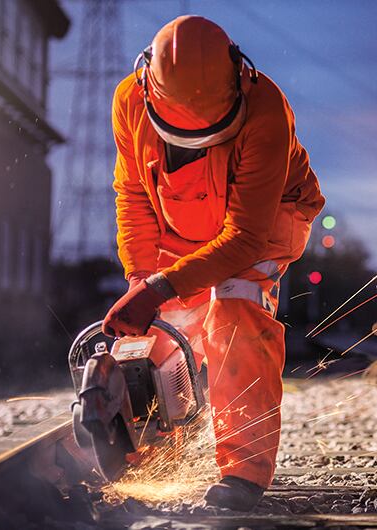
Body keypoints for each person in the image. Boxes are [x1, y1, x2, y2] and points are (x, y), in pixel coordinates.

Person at [101, 16, 324, 510]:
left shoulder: (266, 109)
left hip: (268, 219)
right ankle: (154, 448)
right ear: (149, 86)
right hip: (183, 220)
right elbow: (133, 192)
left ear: (238, 81)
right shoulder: (129, 101)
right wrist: (142, 280)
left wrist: (159, 287)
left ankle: (243, 472)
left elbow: (243, 240)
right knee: (159, 329)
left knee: (235, 306)